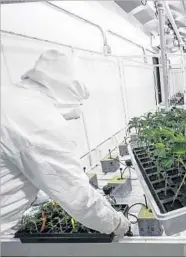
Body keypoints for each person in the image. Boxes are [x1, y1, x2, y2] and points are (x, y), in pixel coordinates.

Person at [0, 50, 130, 236]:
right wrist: (116, 224)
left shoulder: (11, 96)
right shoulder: (38, 118)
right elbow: (77, 196)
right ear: (67, 95)